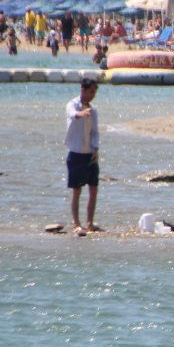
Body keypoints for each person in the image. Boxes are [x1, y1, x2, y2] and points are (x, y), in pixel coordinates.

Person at [65, 79, 101, 234]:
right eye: (90, 91)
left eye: (94, 92)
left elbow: (95, 132)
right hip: (76, 153)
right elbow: (72, 115)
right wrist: (81, 113)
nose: (92, 95)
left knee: (94, 189)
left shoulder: (93, 111)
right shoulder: (72, 104)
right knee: (77, 190)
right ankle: (76, 223)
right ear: (83, 90)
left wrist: (95, 149)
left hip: (89, 153)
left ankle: (90, 223)